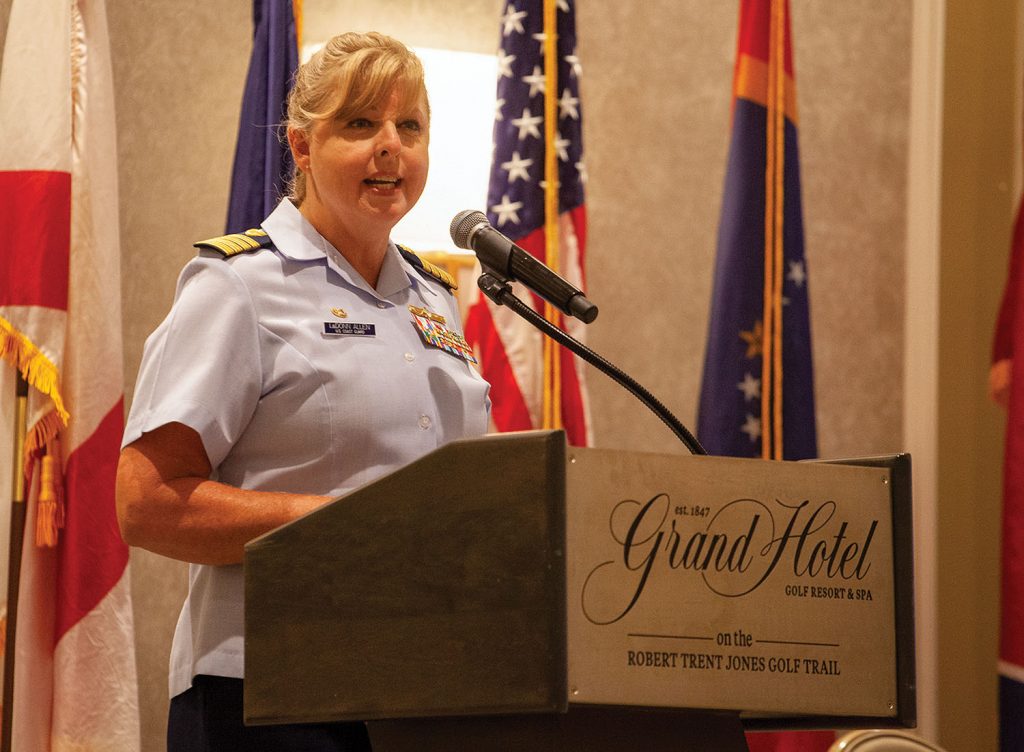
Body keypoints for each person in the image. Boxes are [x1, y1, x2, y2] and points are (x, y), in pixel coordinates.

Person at [116, 31, 490, 751]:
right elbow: (147, 501)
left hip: (431, 687)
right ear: (301, 146)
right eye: (359, 123)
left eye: (409, 126)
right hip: (270, 695)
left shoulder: (435, 300)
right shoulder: (239, 286)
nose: (390, 146)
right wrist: (338, 522)